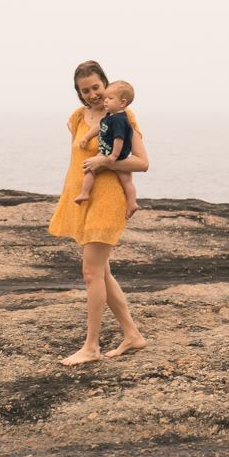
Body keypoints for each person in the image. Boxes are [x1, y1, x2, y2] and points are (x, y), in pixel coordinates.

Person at [47, 60, 151, 366]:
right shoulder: (78, 118)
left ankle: (91, 346)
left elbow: (142, 162)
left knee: (91, 272)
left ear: (105, 84)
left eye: (96, 87)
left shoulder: (121, 115)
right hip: (83, 200)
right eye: (85, 90)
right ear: (78, 93)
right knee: (102, 272)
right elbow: (77, 159)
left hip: (108, 201)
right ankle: (132, 334)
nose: (92, 94)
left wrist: (105, 163)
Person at [72, 80, 139, 219]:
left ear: (122, 102)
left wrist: (113, 156)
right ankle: (132, 203)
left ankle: (85, 192)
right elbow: (99, 127)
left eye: (110, 98)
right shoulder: (110, 115)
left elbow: (119, 139)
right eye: (106, 98)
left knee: (90, 168)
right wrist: (87, 137)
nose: (106, 101)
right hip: (108, 151)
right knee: (126, 180)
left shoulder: (120, 119)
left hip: (111, 153)